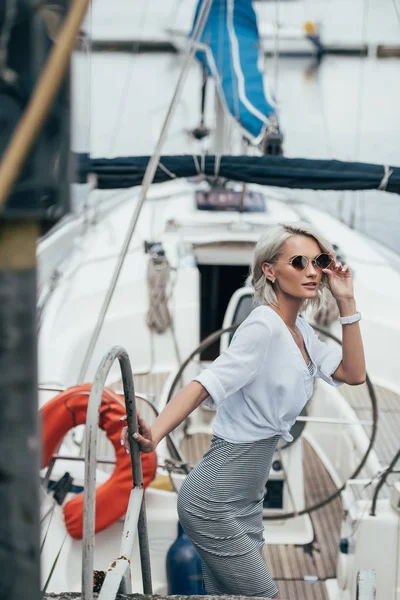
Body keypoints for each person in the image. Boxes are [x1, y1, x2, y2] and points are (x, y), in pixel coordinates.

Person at [121, 221, 366, 598]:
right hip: (212, 499)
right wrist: (155, 433)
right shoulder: (263, 327)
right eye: (298, 262)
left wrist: (346, 301)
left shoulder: (302, 330)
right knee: (262, 594)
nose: (312, 271)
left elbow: (353, 372)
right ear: (269, 270)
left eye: (318, 261)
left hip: (247, 497)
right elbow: (205, 383)